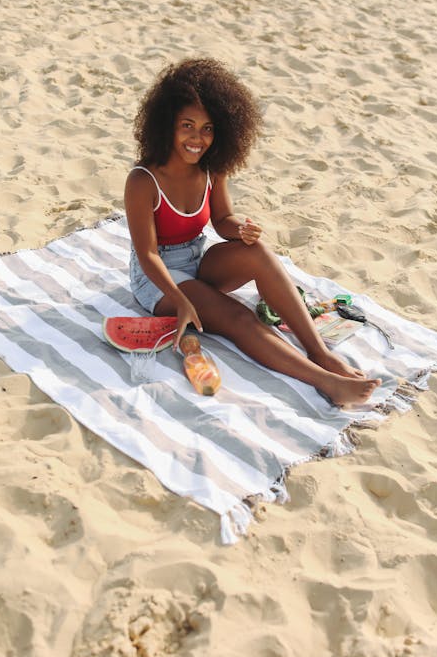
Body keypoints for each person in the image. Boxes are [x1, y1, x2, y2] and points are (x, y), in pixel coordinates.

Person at [125, 58, 381, 406]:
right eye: (187, 125)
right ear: (167, 124)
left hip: (195, 259)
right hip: (156, 280)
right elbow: (147, 254)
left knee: (257, 251)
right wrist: (182, 299)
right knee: (235, 316)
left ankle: (320, 353)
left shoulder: (211, 169)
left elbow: (223, 219)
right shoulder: (143, 180)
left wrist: (242, 228)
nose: (197, 138)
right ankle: (325, 382)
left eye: (208, 128)